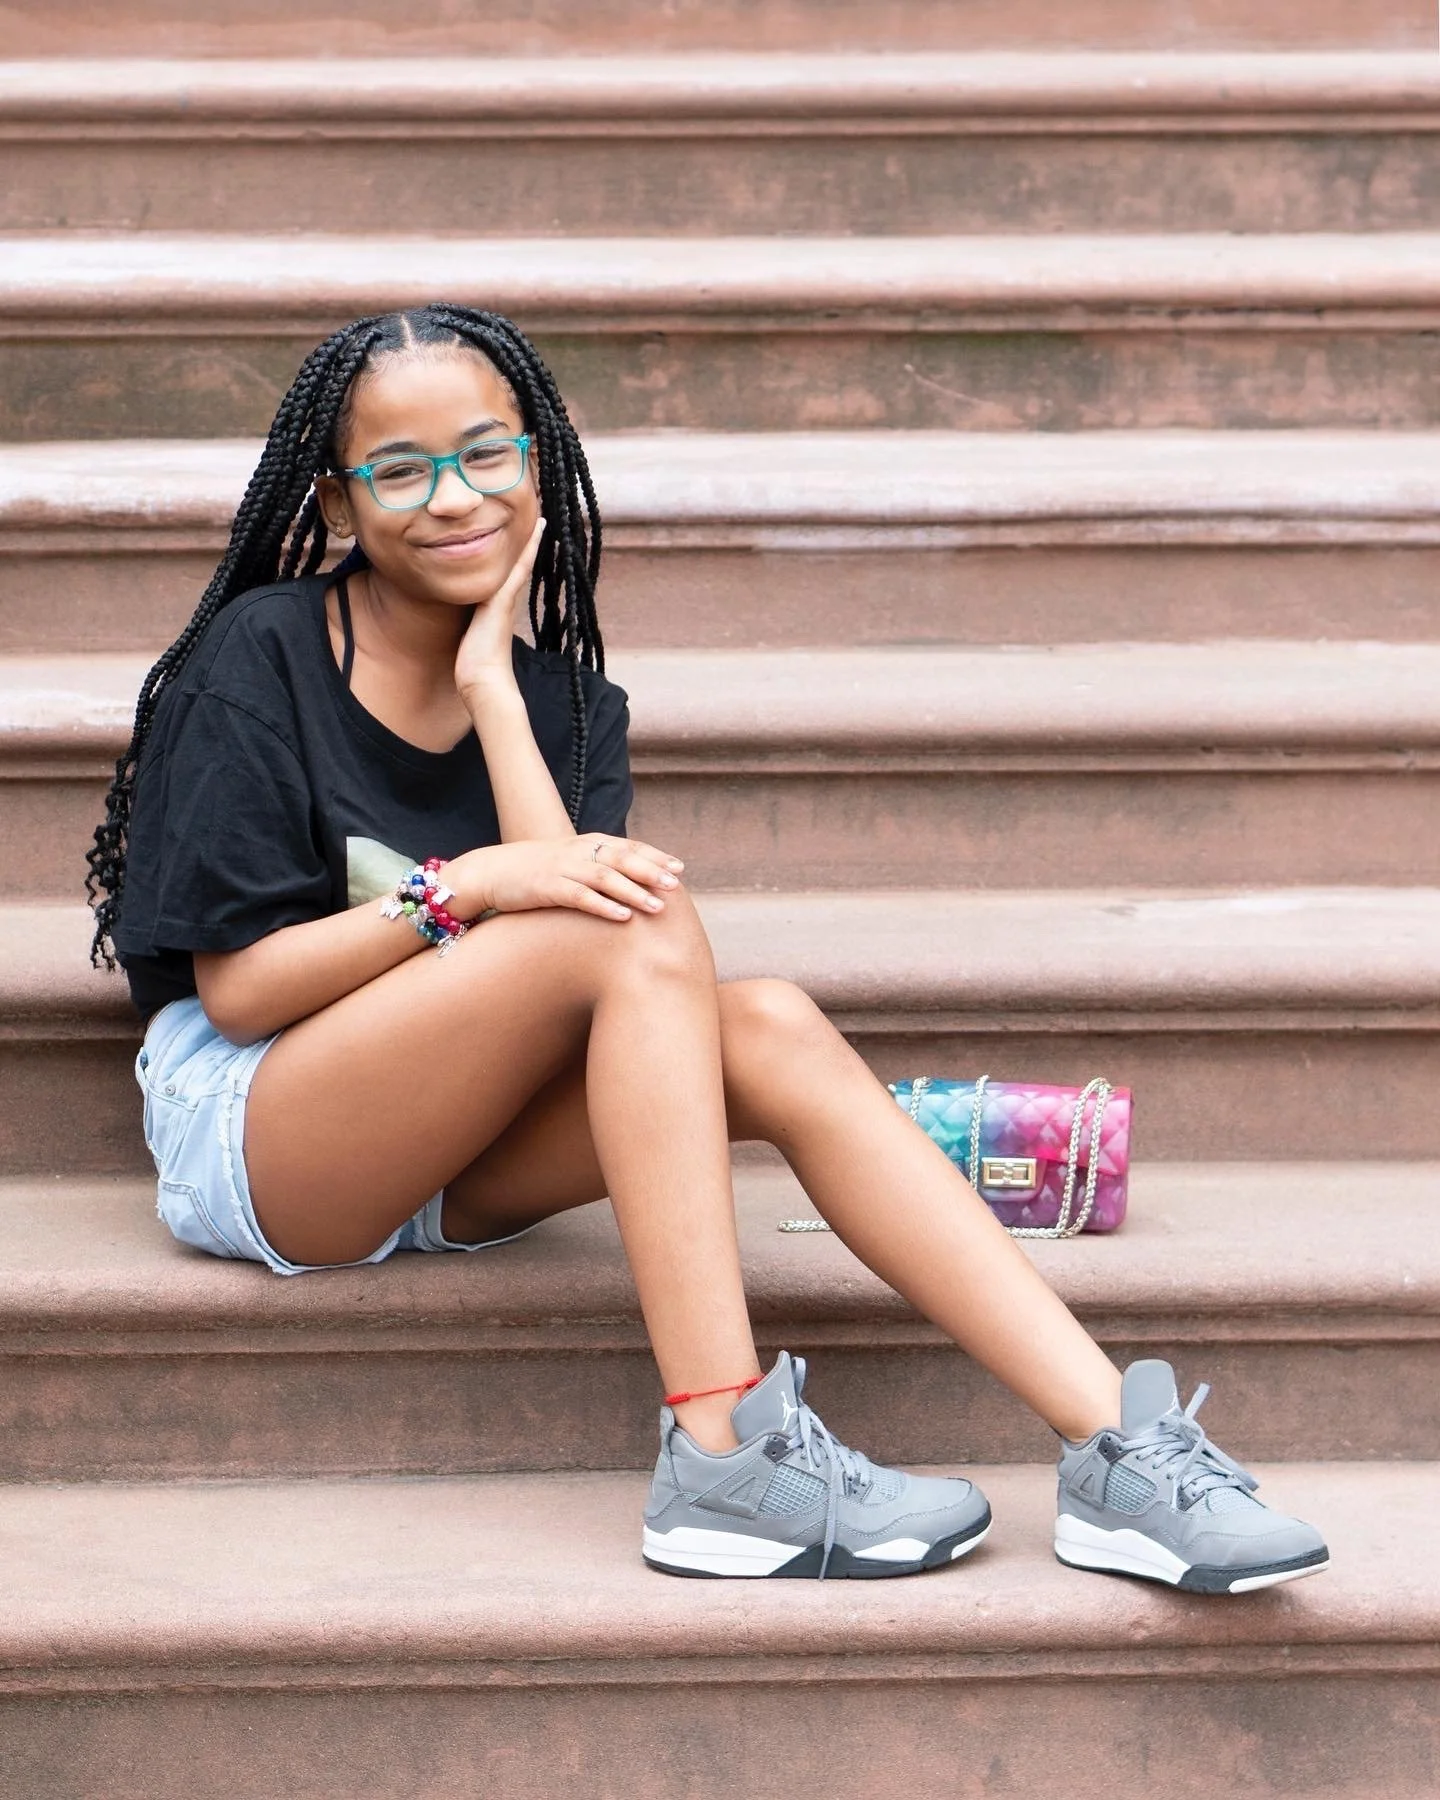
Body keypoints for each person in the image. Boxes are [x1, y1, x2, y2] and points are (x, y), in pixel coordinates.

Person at [88, 305, 1327, 1593]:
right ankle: (726, 1452)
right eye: (401, 470)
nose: (453, 498)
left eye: (486, 456)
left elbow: (568, 935)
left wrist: (494, 693)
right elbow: (240, 994)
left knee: (772, 1021)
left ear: (538, 464)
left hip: (456, 1147)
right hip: (260, 1128)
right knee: (628, 923)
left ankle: (1118, 1452)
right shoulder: (264, 657)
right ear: (340, 506)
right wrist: (467, 887)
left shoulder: (566, 703)